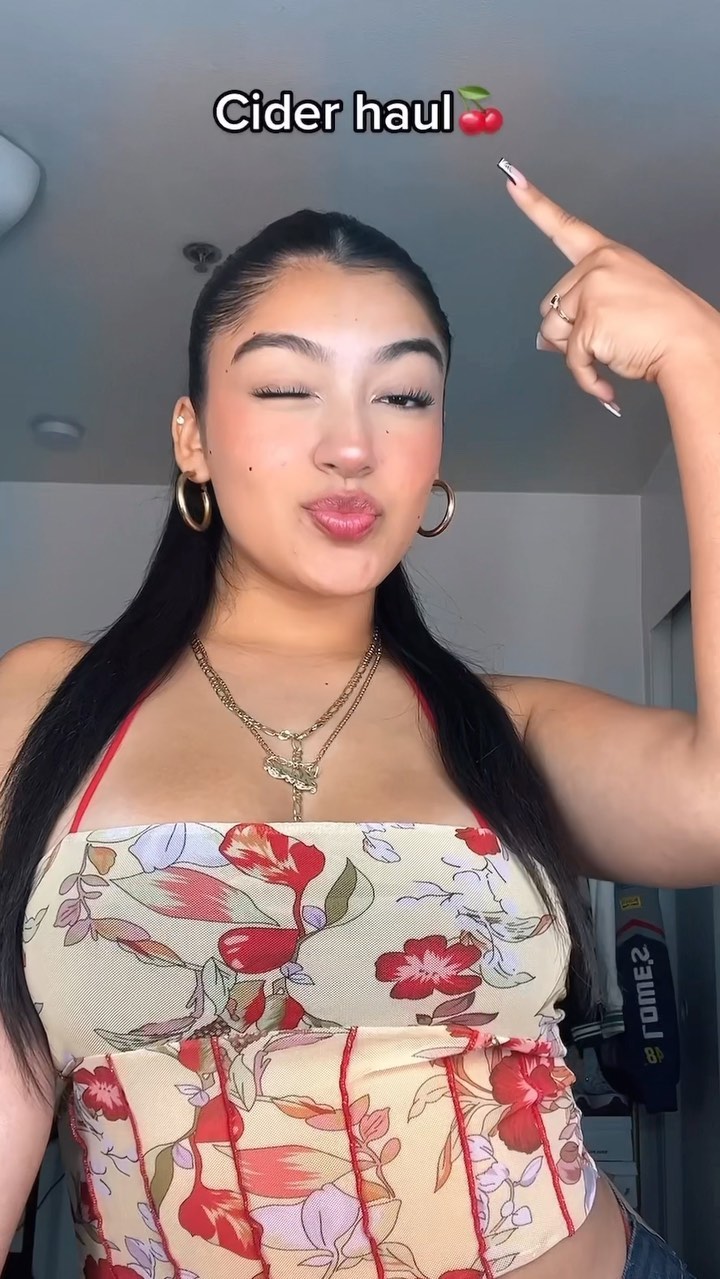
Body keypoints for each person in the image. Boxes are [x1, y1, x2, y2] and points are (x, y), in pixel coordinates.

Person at [0, 156, 715, 1279]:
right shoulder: (47, 708)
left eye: (404, 395)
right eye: (288, 388)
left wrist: (700, 359)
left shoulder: (506, 730)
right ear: (192, 436)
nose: (352, 444)